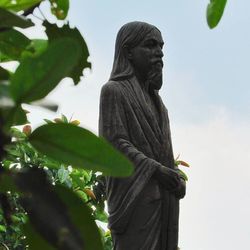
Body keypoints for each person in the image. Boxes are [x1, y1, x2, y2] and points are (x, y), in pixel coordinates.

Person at [98, 21, 186, 250]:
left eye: (161, 47)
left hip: (163, 205)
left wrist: (174, 176)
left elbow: (164, 154)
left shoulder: (160, 106)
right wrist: (156, 170)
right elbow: (114, 145)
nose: (159, 53)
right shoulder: (113, 91)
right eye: (150, 45)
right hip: (134, 202)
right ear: (128, 51)